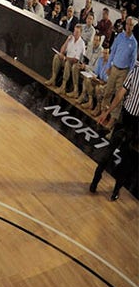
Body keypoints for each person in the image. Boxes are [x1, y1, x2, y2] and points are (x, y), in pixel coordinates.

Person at [90, 65, 139, 201]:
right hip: (125, 118)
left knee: (126, 160)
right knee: (108, 151)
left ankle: (116, 190)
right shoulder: (135, 71)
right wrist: (107, 112)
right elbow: (120, 94)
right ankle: (95, 180)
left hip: (136, 126)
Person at [44, 23, 86, 94]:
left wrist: (65, 58)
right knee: (57, 57)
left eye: (77, 32)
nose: (75, 33)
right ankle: (53, 78)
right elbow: (62, 51)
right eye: (74, 31)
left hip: (74, 64)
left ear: (81, 33)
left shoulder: (81, 44)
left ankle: (63, 86)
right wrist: (67, 40)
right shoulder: (71, 39)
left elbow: (76, 59)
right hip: (66, 59)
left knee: (67, 63)